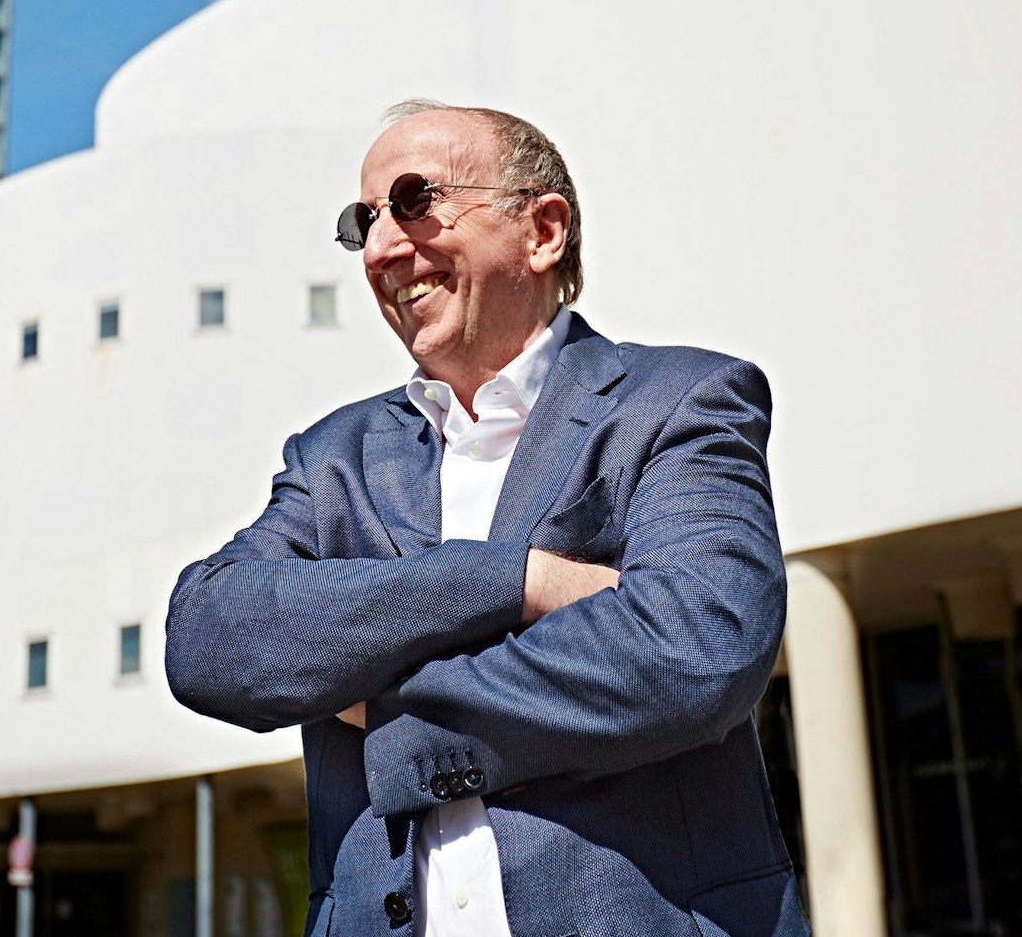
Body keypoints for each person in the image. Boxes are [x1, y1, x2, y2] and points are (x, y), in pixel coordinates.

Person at [165, 101, 804, 937]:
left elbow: (694, 645)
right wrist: (518, 579)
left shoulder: (679, 402)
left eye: (414, 198)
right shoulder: (333, 459)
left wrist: (383, 707)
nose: (384, 246)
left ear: (541, 229)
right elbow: (207, 635)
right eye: (364, 222)